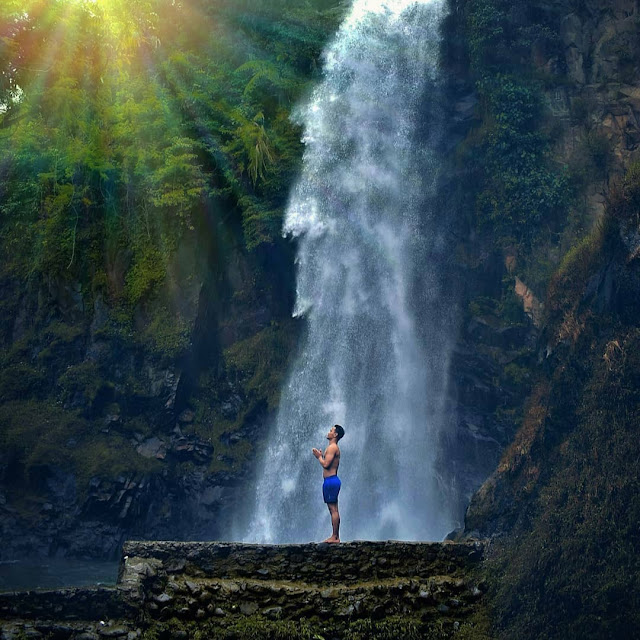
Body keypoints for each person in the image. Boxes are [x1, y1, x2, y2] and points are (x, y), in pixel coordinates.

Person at [312, 424, 344, 543]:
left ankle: (335, 537)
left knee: (333, 509)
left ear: (335, 434)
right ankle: (335, 536)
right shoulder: (332, 448)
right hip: (330, 480)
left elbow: (326, 464)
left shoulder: (332, 448)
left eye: (331, 430)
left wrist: (319, 457)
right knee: (333, 509)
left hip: (331, 480)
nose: (329, 432)